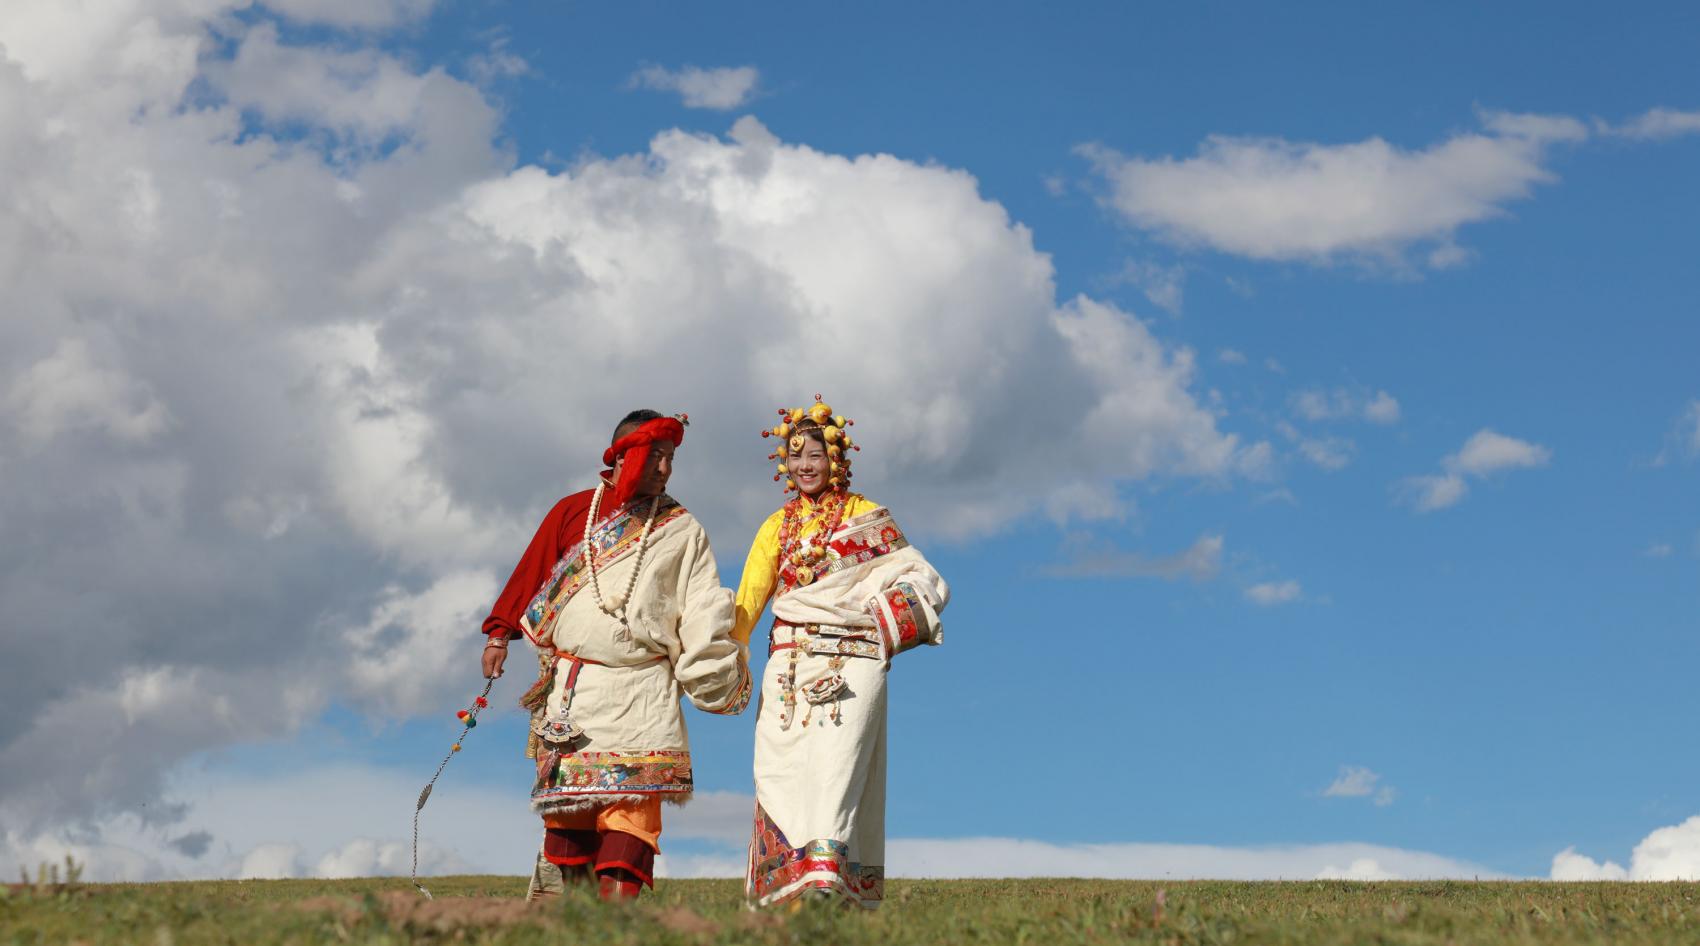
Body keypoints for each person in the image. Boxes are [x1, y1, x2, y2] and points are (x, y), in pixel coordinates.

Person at [480, 409, 750, 902]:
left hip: (643, 692)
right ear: (624, 455)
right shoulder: (573, 513)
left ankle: (616, 927)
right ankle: (581, 927)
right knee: (570, 824)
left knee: (632, 820)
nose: (665, 469)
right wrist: (499, 635)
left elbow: (702, 606)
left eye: (671, 459)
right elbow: (532, 570)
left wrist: (714, 673)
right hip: (573, 695)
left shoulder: (682, 530)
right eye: (656, 456)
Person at [733, 397, 949, 909]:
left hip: (853, 665)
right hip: (788, 667)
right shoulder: (775, 526)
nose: (805, 465)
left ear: (837, 460)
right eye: (795, 456)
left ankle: (826, 881)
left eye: (815, 456)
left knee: (837, 770)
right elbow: (747, 605)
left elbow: (922, 579)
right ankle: (788, 889)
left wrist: (867, 622)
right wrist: (719, 653)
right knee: (781, 774)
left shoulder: (868, 518)